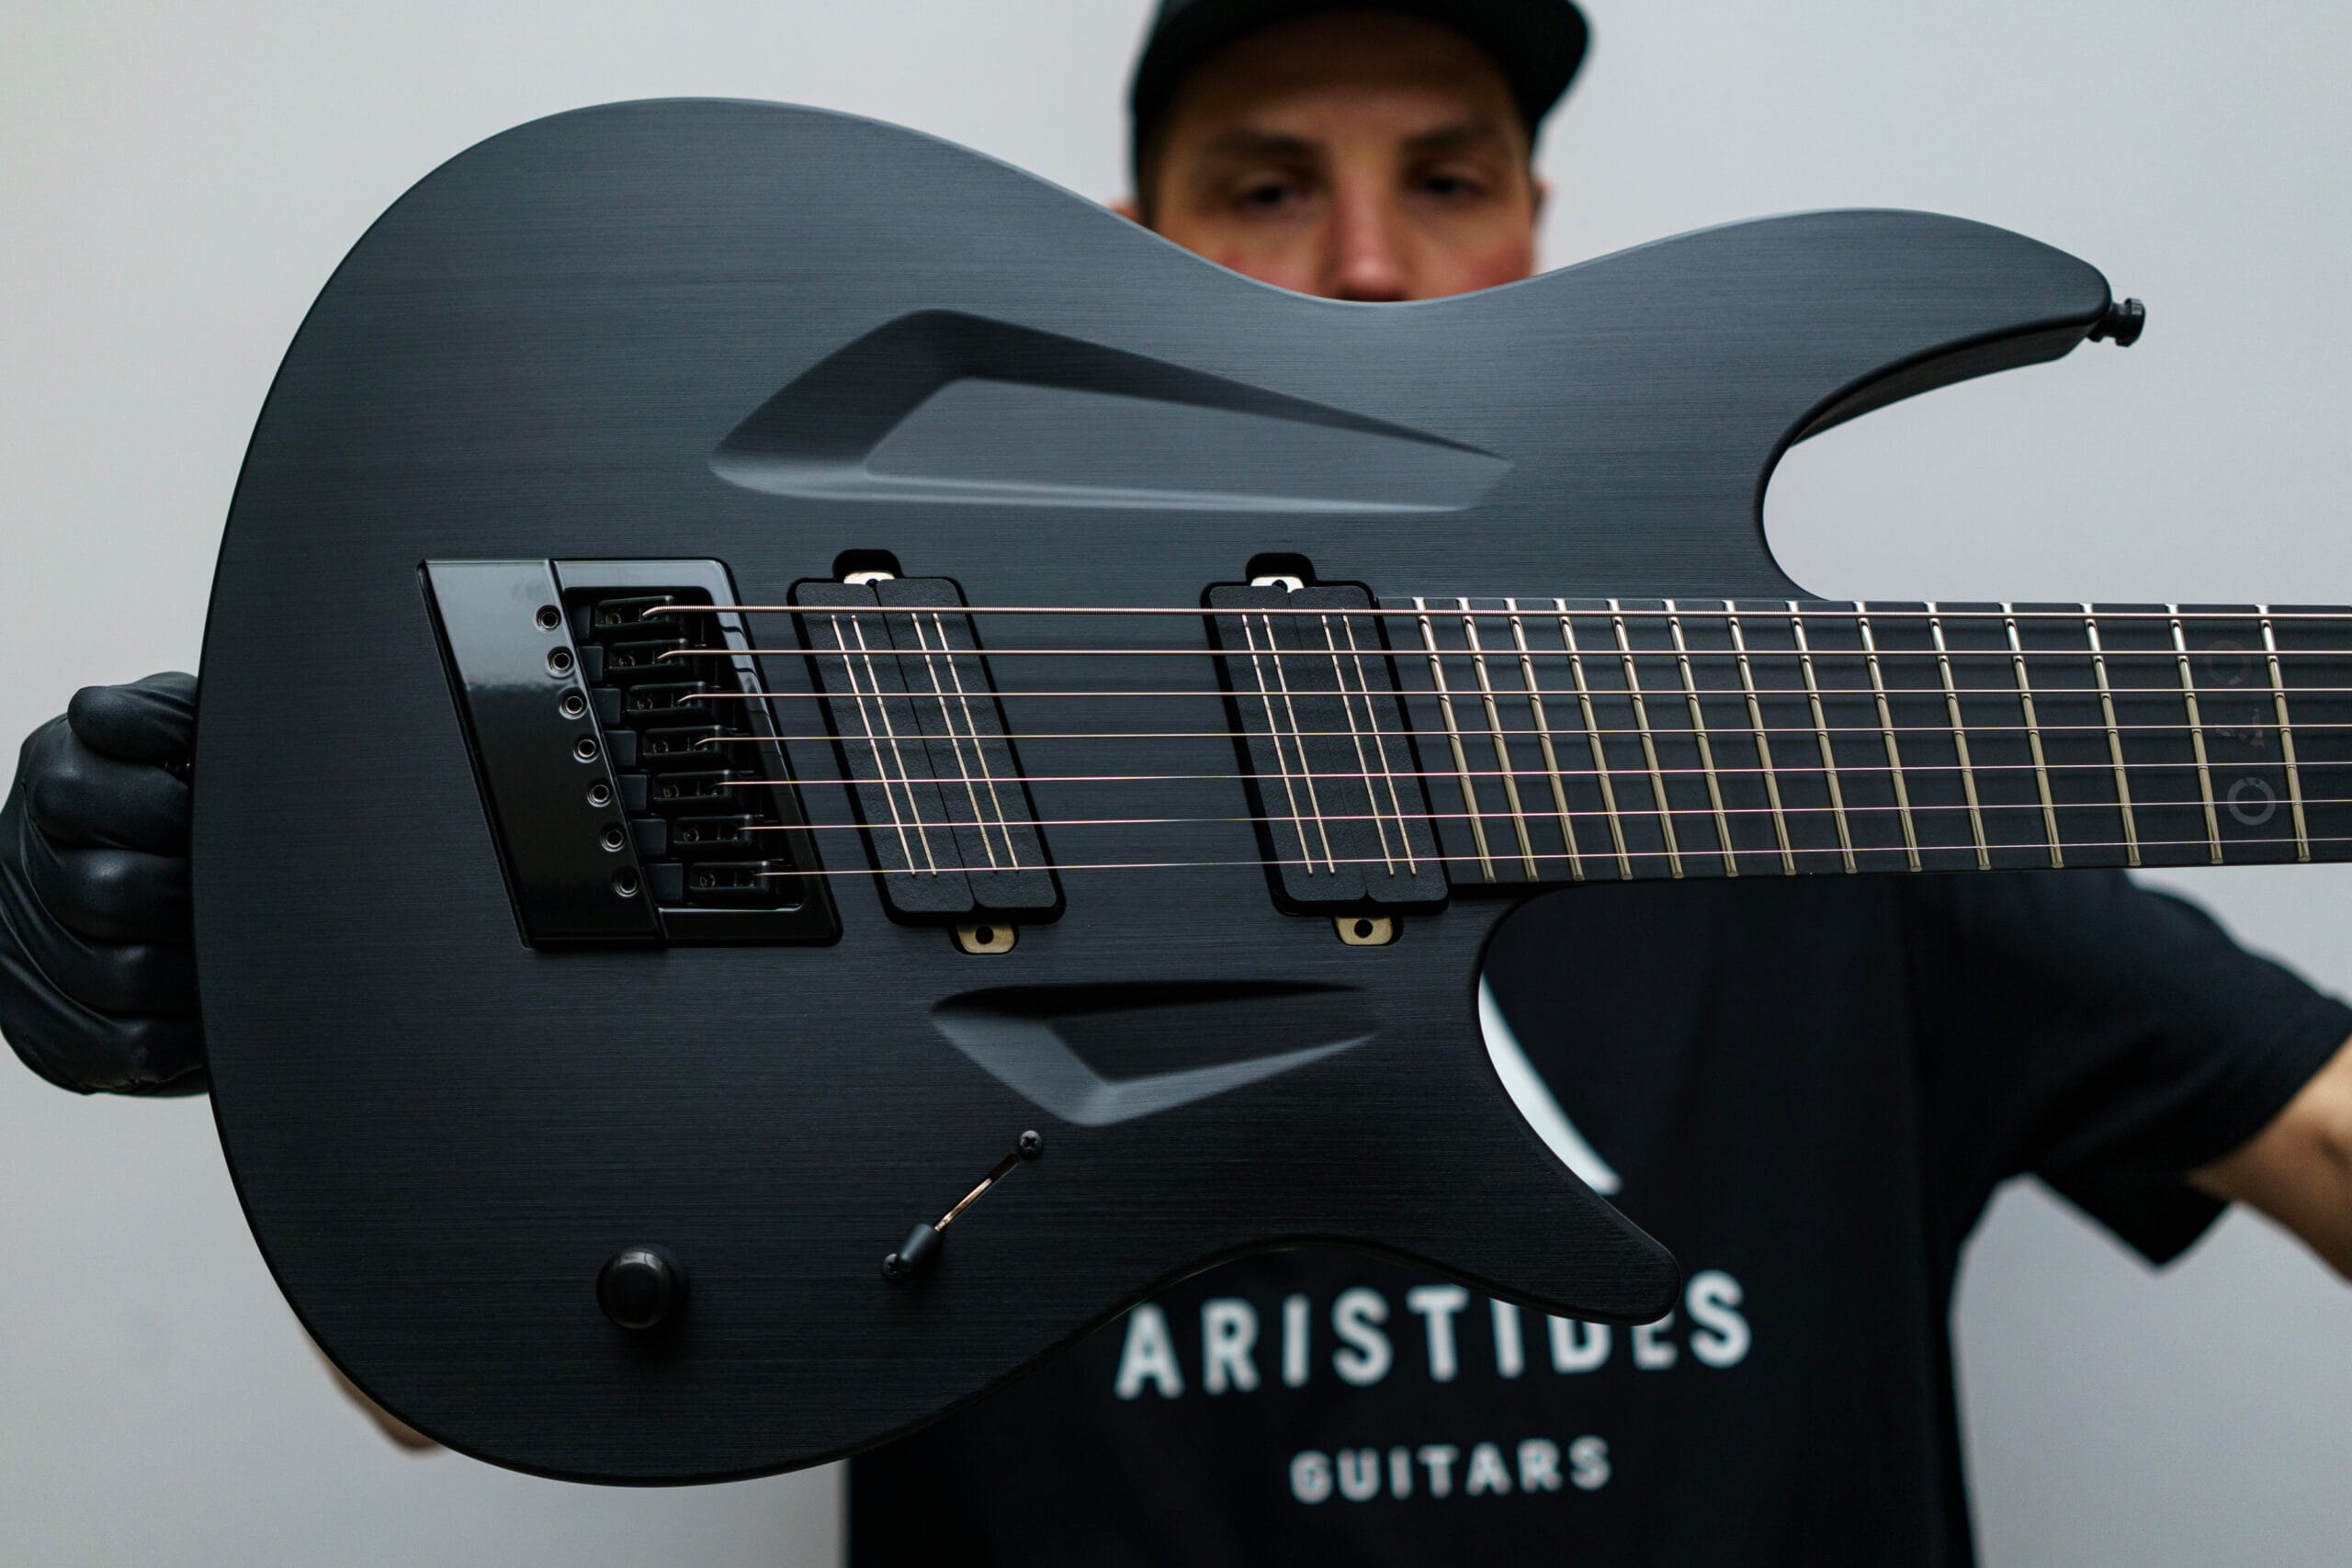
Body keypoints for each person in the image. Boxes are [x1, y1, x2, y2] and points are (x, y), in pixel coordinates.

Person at [4, 3, 2348, 1563]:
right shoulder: (885, 682)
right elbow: (458, 1357)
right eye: (1265, 180)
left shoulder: (1865, 807)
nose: (1365, 257)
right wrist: (289, 957)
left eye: (1447, 175)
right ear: (1126, 259)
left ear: (1542, 236)